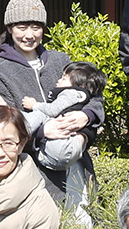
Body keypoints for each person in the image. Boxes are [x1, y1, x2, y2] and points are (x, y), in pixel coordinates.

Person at [0, 0, 103, 204]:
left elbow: (93, 96)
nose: (29, 35)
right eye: (22, 27)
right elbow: (0, 132)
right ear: (10, 28)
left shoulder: (60, 61)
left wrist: (87, 118)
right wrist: (41, 133)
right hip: (33, 179)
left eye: (36, 27)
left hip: (77, 171)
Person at [23, 61, 106, 210]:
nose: (59, 80)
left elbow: (53, 109)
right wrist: (42, 132)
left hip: (65, 148)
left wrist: (34, 105)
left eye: (64, 78)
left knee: (35, 116)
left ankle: (20, 127)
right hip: (66, 150)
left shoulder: (71, 91)